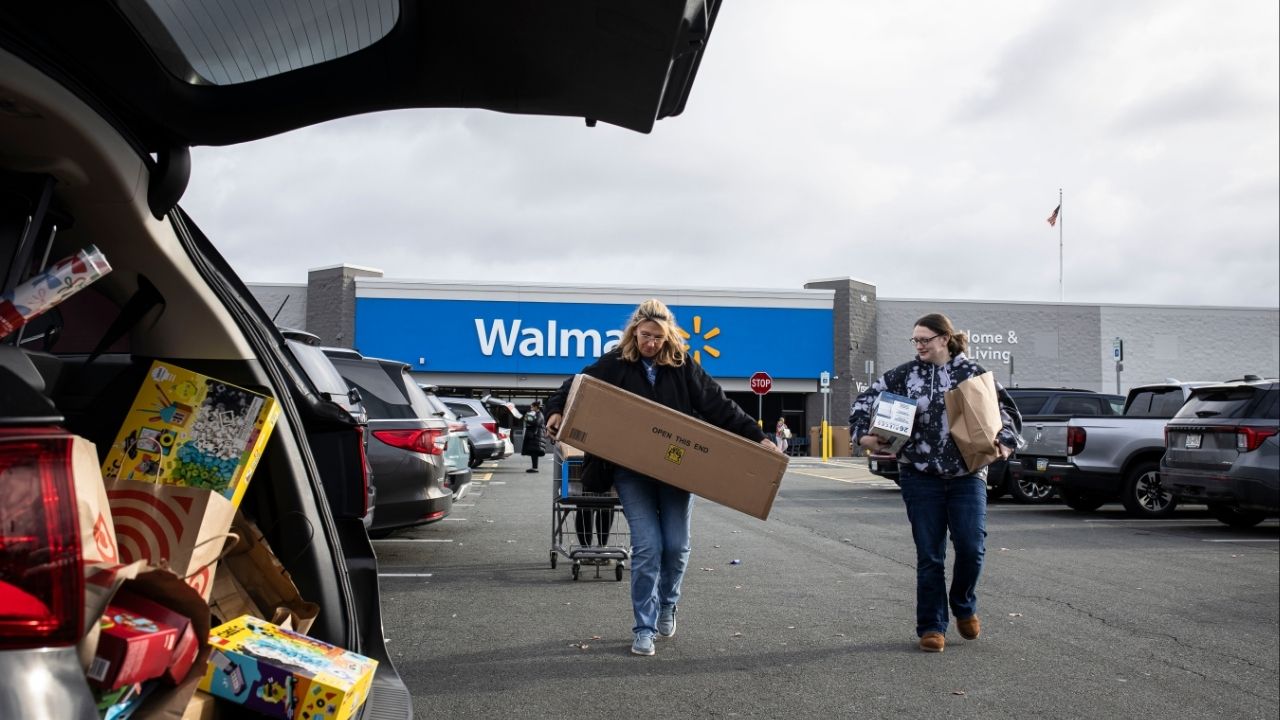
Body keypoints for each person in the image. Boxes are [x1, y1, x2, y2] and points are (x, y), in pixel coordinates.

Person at [545, 298, 780, 657]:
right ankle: (643, 627)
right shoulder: (617, 363)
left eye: (656, 336)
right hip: (630, 471)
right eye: (644, 336)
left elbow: (720, 407)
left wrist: (759, 438)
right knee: (647, 548)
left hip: (676, 470)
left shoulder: (683, 367)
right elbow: (575, 384)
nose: (650, 343)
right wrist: (556, 410)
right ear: (633, 333)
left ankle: (668, 604)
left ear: (668, 336)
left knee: (675, 546)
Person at [849, 313, 1021, 654]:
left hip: (967, 476)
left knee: (972, 548)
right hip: (919, 475)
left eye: (924, 339)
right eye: (915, 340)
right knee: (930, 555)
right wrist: (863, 436)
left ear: (944, 338)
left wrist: (1005, 441)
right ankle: (932, 626)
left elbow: (1007, 413)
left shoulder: (972, 373)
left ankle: (964, 604)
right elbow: (863, 402)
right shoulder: (902, 375)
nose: (919, 346)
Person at [521, 400, 546, 473]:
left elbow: (536, 423)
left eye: (532, 407)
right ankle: (534, 467)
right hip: (536, 435)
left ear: (536, 407)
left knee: (534, 452)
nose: (531, 408)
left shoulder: (539, 414)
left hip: (536, 436)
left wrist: (527, 420)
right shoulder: (537, 414)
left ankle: (535, 468)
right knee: (533, 452)